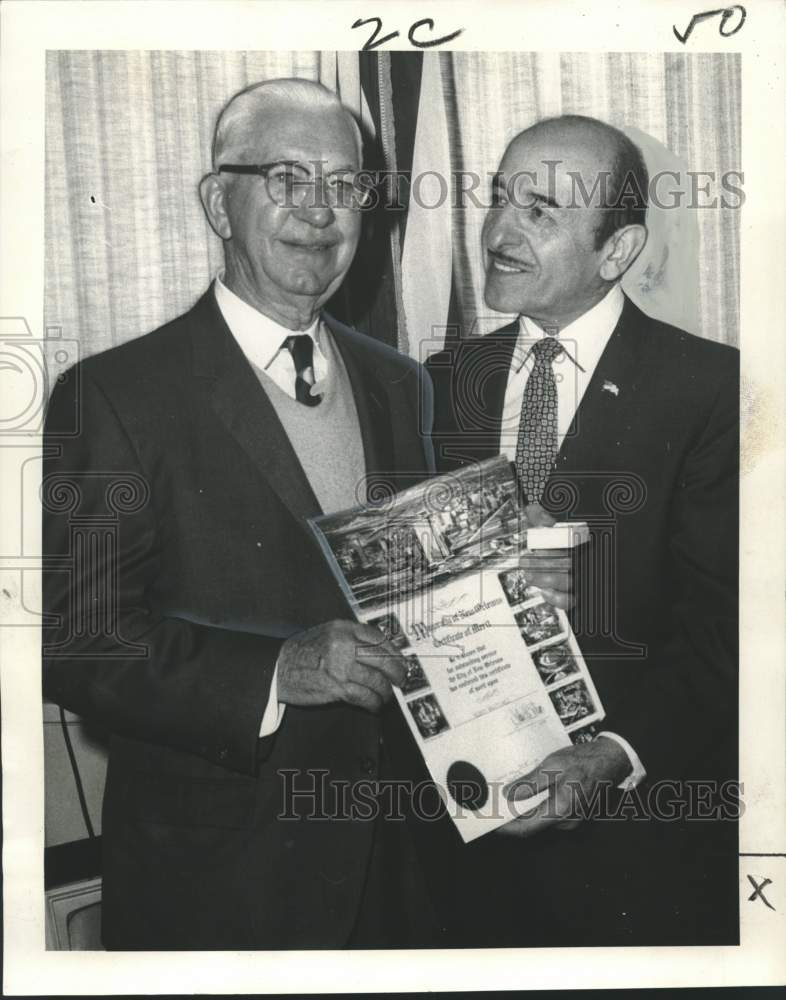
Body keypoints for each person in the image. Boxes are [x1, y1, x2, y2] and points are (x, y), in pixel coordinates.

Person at [42, 77, 444, 950]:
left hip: (396, 867)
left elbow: (414, 592)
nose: (321, 210)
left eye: (345, 185)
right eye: (288, 177)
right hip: (223, 883)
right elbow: (78, 645)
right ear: (217, 203)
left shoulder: (398, 384)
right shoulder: (111, 395)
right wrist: (275, 672)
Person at [425, 115, 739, 945]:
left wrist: (611, 756)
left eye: (541, 210)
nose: (498, 230)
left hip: (643, 856)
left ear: (617, 250)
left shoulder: (714, 393)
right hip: (463, 852)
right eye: (498, 198)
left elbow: (729, 636)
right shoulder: (437, 384)